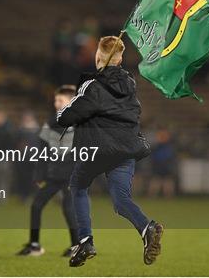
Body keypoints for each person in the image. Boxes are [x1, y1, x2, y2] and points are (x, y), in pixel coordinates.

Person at [57, 36, 162, 267]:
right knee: (120, 200)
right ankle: (147, 228)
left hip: (100, 149)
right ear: (120, 58)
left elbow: (70, 114)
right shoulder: (130, 85)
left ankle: (85, 240)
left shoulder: (93, 85)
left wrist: (61, 113)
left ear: (98, 57)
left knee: (78, 185)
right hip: (125, 149)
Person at [17, 86, 79, 258]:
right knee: (36, 205)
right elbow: (42, 151)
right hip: (54, 175)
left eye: (60, 100)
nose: (56, 103)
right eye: (55, 100)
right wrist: (39, 174)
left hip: (71, 176)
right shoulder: (50, 123)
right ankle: (35, 245)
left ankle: (76, 246)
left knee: (68, 209)